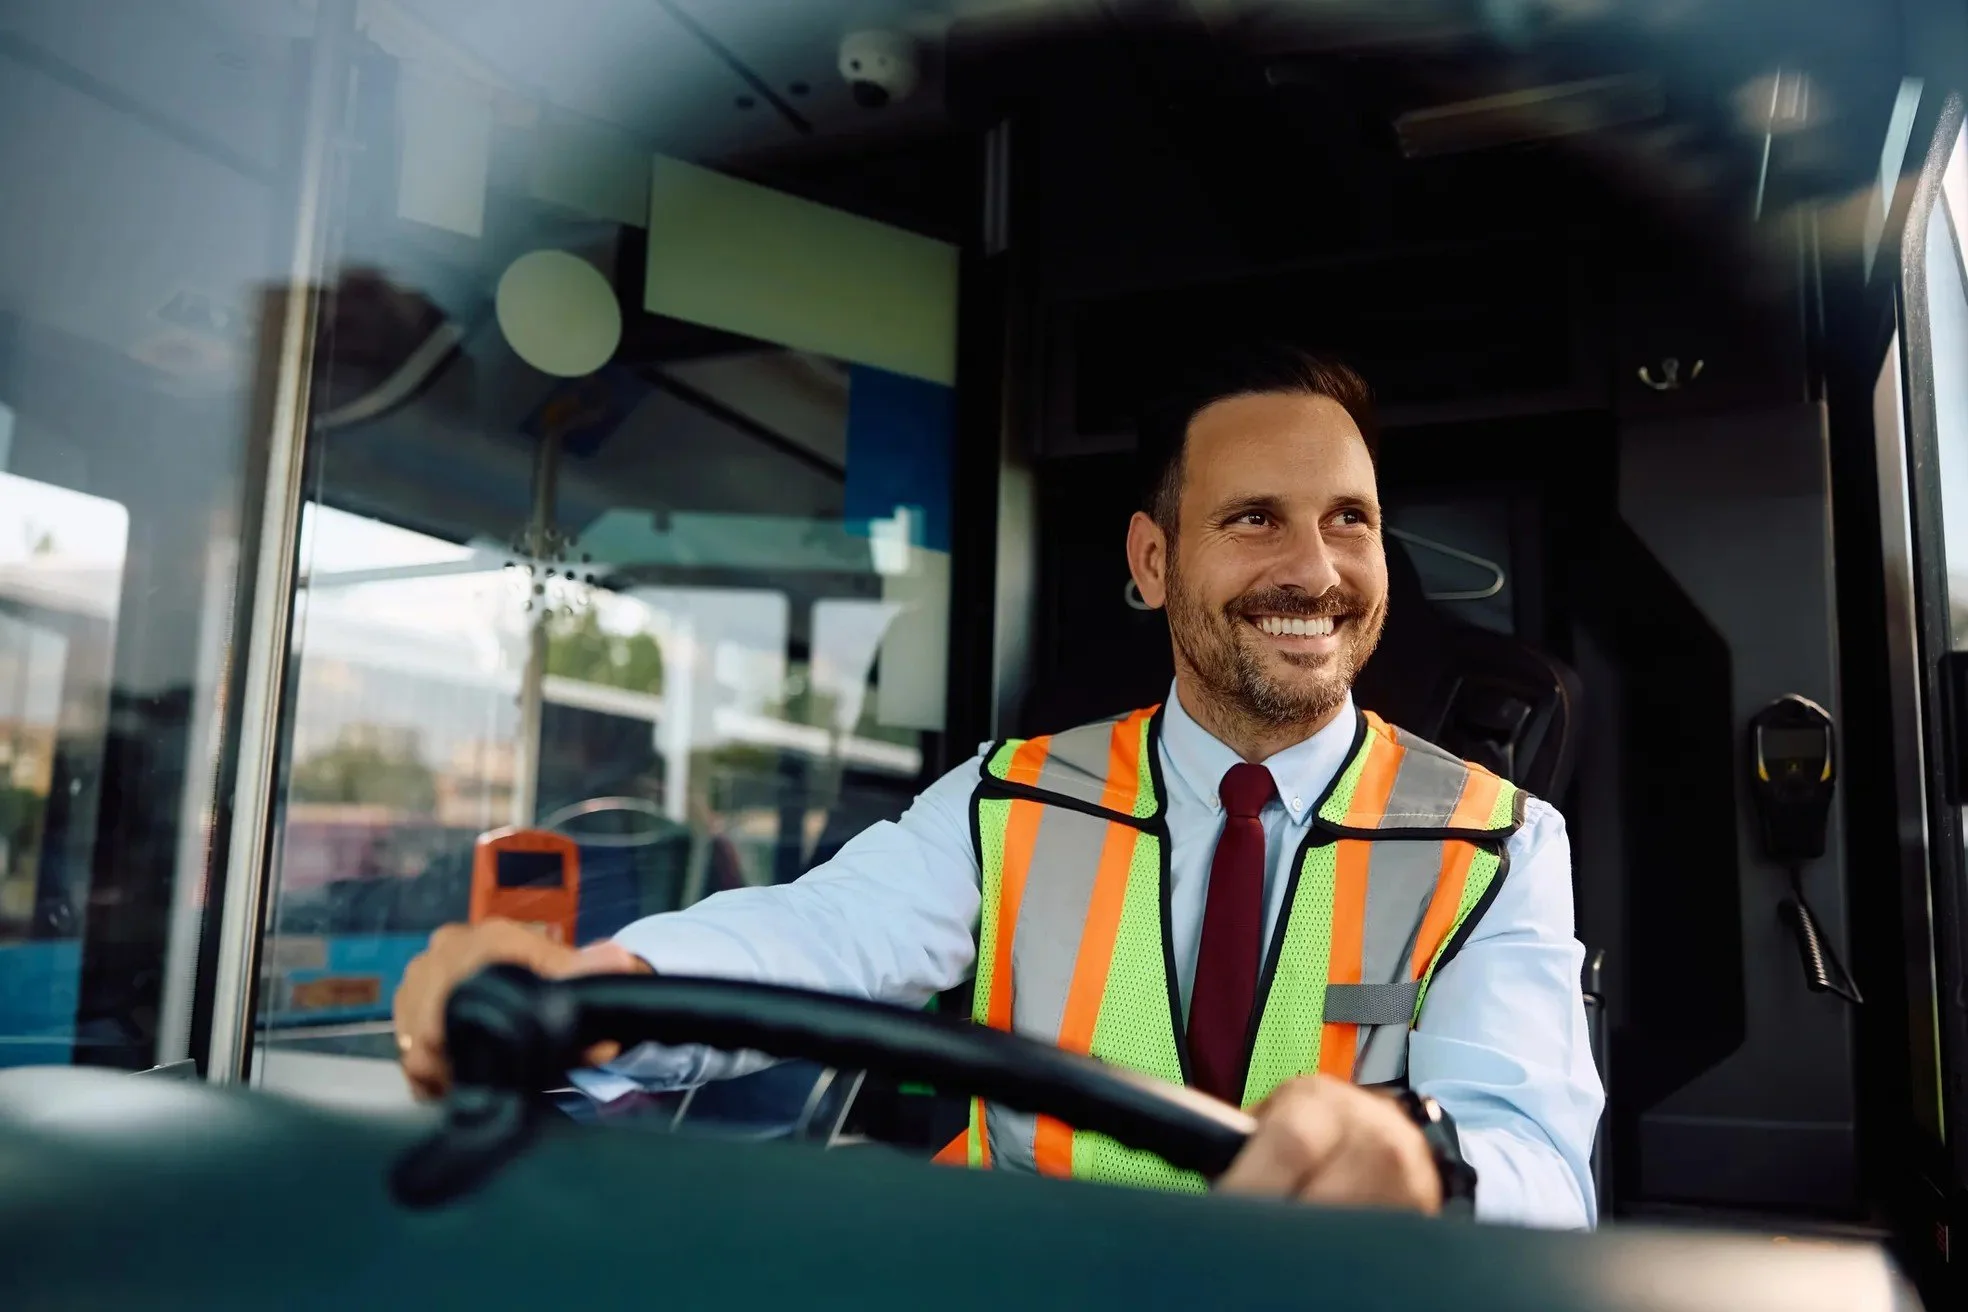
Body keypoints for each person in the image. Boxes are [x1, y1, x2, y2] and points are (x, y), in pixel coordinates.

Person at [392, 344, 1604, 1229]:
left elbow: (1541, 1165)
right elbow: (812, 936)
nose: (1315, 567)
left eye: (1351, 520)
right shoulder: (1005, 801)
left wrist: (1424, 1167)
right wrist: (593, 989)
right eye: (1253, 519)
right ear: (1151, 560)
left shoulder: (1499, 844)